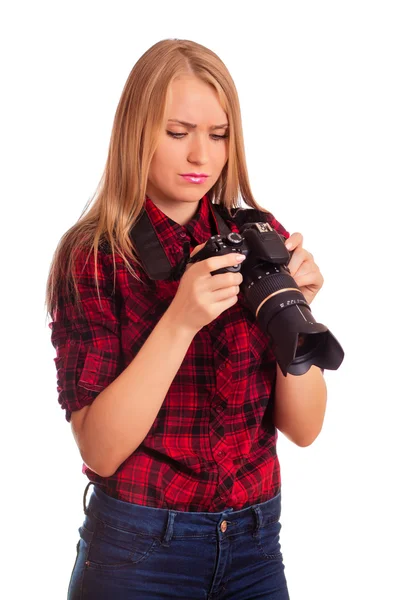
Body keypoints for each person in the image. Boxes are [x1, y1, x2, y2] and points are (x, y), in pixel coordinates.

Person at [46, 38, 326, 600]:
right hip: (139, 549)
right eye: (178, 134)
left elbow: (304, 429)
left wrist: (295, 317)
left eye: (217, 135)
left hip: (255, 544)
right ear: (136, 134)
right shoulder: (98, 256)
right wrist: (178, 321)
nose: (201, 155)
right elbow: (98, 450)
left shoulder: (256, 233)